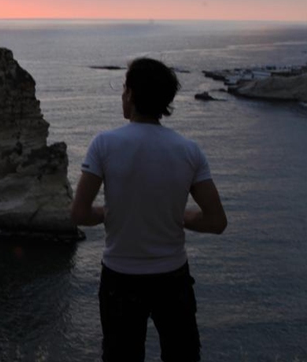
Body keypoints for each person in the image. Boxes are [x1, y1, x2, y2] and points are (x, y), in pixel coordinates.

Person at [71, 57, 227, 362]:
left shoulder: (104, 144)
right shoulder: (189, 150)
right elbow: (216, 221)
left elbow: (79, 213)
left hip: (120, 277)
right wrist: (179, 216)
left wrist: (106, 213)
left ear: (129, 94)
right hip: (173, 278)